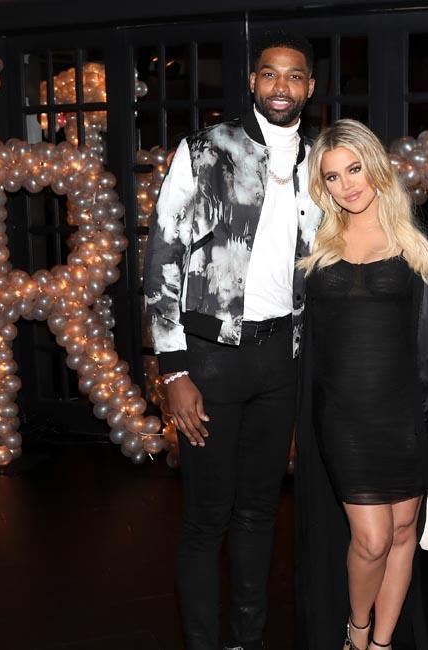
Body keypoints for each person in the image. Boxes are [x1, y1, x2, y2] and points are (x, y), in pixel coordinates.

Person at [143, 29, 322, 650]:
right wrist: (174, 369)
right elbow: (162, 256)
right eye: (270, 73)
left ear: (309, 87)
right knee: (206, 517)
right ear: (252, 81)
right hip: (210, 360)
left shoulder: (320, 162)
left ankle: (248, 640)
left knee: (259, 511)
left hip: (282, 360)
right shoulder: (204, 149)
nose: (281, 86)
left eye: (294, 75)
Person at [294, 119, 428, 650]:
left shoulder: (421, 242)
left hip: (408, 417)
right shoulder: (316, 244)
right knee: (371, 539)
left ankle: (382, 643)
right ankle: (357, 631)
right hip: (343, 418)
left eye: (354, 169)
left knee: (402, 534)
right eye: (332, 177)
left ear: (375, 166)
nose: (347, 185)